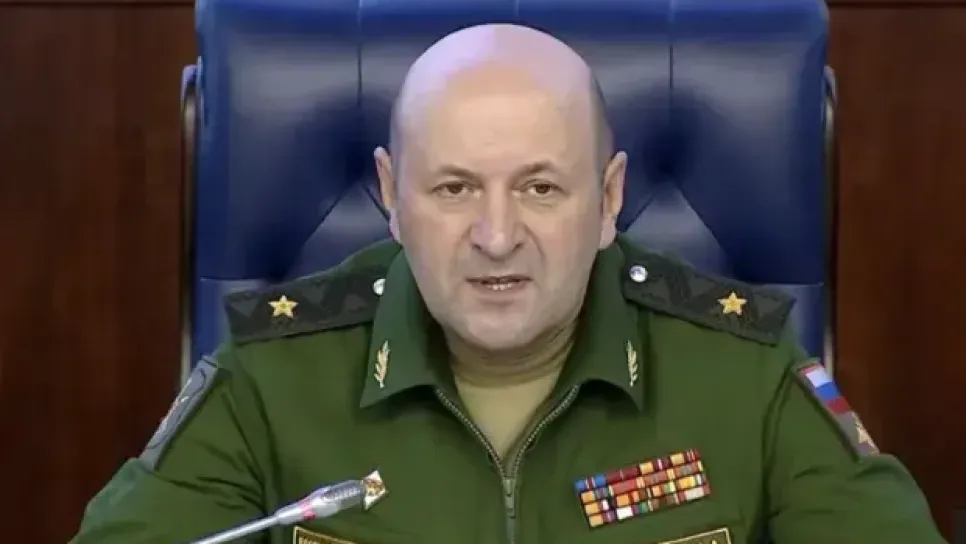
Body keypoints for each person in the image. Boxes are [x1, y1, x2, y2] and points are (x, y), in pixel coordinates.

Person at [71, 24, 946, 544]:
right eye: (454, 189)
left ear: (608, 200)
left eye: (541, 189)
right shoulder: (272, 376)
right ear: (391, 197)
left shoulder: (741, 371)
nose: (496, 237)